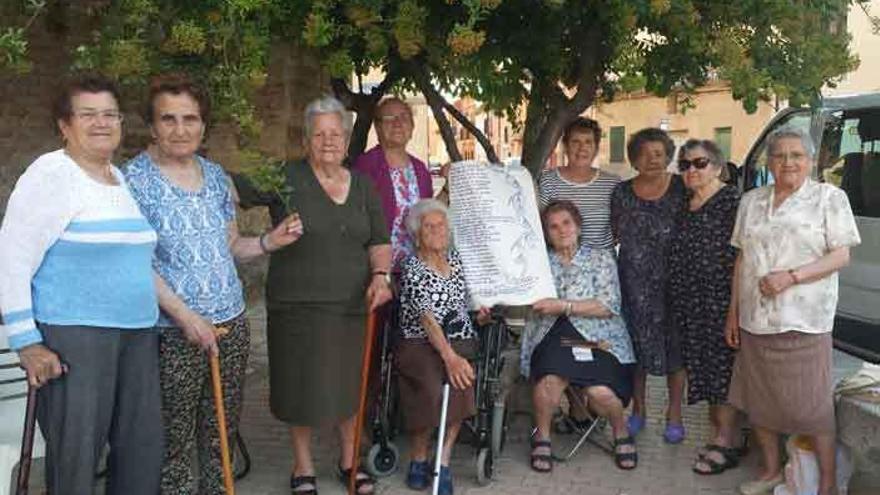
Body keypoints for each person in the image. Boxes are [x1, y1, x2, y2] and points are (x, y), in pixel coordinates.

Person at [122, 73, 301, 494]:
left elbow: (231, 246)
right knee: (174, 439)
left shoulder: (217, 176)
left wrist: (269, 242)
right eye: (169, 119)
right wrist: (186, 318)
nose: (180, 129)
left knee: (221, 431)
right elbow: (134, 265)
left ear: (203, 126)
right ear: (152, 126)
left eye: (190, 119)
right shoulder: (132, 181)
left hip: (231, 324)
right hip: (173, 331)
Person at [0, 74, 163, 494]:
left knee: (141, 450)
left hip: (137, 334)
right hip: (75, 337)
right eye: (88, 114)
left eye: (110, 114)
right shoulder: (52, 174)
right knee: (76, 458)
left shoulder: (117, 177)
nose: (101, 122)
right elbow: (12, 259)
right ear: (64, 124)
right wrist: (26, 342)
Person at [233, 95, 392, 495]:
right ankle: (301, 465)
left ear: (346, 138)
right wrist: (253, 240)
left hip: (351, 307)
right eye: (318, 134)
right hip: (296, 306)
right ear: (306, 139)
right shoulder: (284, 176)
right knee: (298, 385)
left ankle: (349, 460)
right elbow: (225, 189)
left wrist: (382, 275)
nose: (327, 141)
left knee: (348, 386)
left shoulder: (364, 186)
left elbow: (379, 240)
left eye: (334, 134)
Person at [726, 127, 860, 495]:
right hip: (756, 320)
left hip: (805, 319)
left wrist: (792, 277)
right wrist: (733, 313)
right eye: (780, 155)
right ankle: (770, 471)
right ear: (768, 161)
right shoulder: (751, 201)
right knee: (760, 402)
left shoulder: (829, 198)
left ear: (811, 160)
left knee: (813, 410)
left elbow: (841, 255)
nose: (788, 162)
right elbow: (742, 259)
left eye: (796, 155)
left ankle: (828, 485)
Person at [522, 200, 638, 472]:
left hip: (597, 338)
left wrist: (565, 306)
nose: (561, 230)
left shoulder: (600, 258)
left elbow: (609, 306)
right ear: (546, 234)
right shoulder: (539, 263)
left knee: (600, 394)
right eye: (553, 226)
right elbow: (526, 297)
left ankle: (621, 431)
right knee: (550, 379)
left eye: (566, 223)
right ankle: (543, 436)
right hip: (554, 334)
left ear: (578, 226)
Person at [395, 199, 490, 495]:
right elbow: (426, 318)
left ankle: (443, 461)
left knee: (460, 380)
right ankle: (419, 457)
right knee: (432, 385)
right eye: (429, 226)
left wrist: (480, 313)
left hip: (460, 339)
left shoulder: (457, 261)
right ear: (417, 233)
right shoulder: (412, 267)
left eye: (441, 225)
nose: (437, 231)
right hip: (419, 341)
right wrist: (449, 357)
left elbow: (468, 302)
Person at [667, 139, 742, 474]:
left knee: (722, 374)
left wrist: (734, 311)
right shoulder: (685, 203)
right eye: (684, 165)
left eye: (699, 163)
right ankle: (722, 435)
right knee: (707, 373)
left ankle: (726, 441)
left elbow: (744, 258)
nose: (691, 171)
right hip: (690, 304)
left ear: (717, 166)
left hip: (719, 303)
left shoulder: (733, 202)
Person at [610, 127, 687, 442]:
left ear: (668, 156)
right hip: (634, 282)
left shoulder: (683, 187)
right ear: (634, 160)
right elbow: (613, 234)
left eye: (659, 153)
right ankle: (638, 411)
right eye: (645, 154)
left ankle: (675, 414)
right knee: (636, 349)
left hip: (676, 281)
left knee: (675, 351)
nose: (653, 159)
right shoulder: (622, 193)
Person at [352, 96, 433, 271]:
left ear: (412, 127)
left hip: (416, 272)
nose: (397, 123)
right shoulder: (365, 166)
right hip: (377, 272)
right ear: (377, 127)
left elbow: (429, 213)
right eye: (389, 118)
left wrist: (450, 185)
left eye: (404, 118)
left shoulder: (420, 170)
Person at [538, 117, 620, 251]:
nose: (582, 148)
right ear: (565, 146)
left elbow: (619, 228)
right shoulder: (548, 180)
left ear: (596, 148)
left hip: (603, 268)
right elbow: (541, 226)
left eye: (588, 142)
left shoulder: (612, 183)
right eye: (575, 142)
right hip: (561, 266)